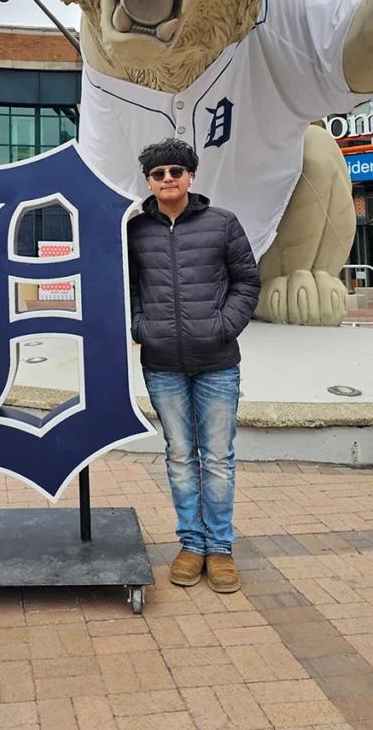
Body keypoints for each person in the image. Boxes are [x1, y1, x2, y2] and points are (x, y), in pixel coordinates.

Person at [128, 139, 260, 593]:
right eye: (159, 173)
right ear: (149, 180)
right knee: (181, 456)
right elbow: (126, 286)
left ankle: (219, 549)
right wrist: (140, 325)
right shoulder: (134, 230)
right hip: (162, 363)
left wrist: (224, 326)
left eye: (176, 171)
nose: (168, 179)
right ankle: (191, 544)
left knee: (218, 459)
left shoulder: (222, 224)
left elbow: (247, 281)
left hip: (218, 361)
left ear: (191, 176)